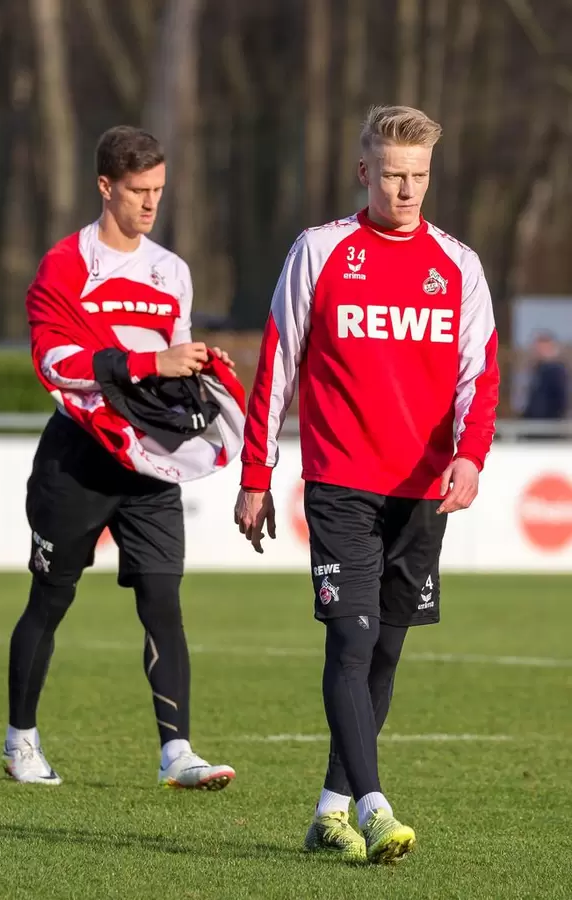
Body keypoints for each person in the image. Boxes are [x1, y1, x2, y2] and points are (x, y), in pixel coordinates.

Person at [234, 105, 499, 864]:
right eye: (391, 175)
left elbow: (480, 377)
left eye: (418, 176)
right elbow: (278, 362)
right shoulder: (320, 250)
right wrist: (256, 474)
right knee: (350, 638)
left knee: (384, 652)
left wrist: (470, 457)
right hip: (341, 481)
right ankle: (375, 809)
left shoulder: (459, 266)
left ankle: (330, 812)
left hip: (422, 491)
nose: (405, 190)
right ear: (364, 171)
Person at [4, 125, 245, 791]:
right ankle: (21, 740)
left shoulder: (174, 271)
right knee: (50, 598)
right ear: (105, 186)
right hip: (77, 459)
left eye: (159, 190)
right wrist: (146, 362)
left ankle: (177, 752)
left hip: (149, 464)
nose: (151, 203)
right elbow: (55, 361)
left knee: (163, 600)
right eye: (139, 190)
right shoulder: (64, 265)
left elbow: (173, 361)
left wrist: (198, 371)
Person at [522, 332, 568, 422]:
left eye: (542, 348)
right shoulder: (536, 369)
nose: (538, 352)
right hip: (534, 421)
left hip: (549, 422)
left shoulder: (556, 370)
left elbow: (561, 400)